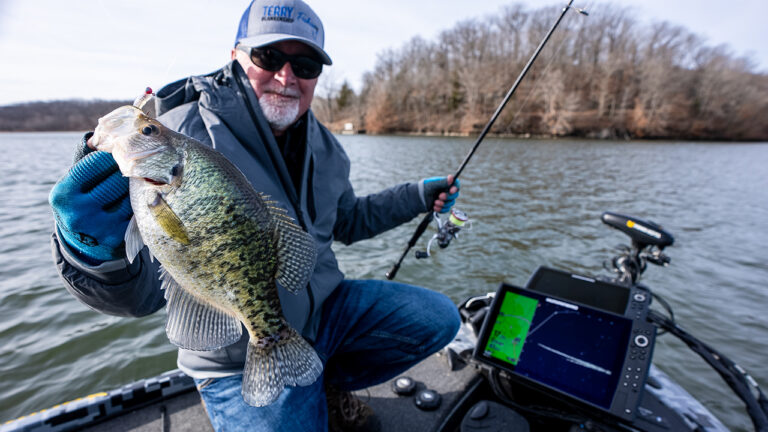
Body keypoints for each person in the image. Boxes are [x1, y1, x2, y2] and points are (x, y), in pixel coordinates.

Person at [48, 1, 461, 431]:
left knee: (438, 318)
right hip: (231, 354)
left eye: (304, 64)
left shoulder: (325, 143)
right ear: (235, 56)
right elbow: (142, 298)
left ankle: (324, 383)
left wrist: (416, 195)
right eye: (269, 57)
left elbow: (348, 221)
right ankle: (297, 378)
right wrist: (91, 252)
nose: (287, 77)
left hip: (321, 314)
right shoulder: (182, 130)